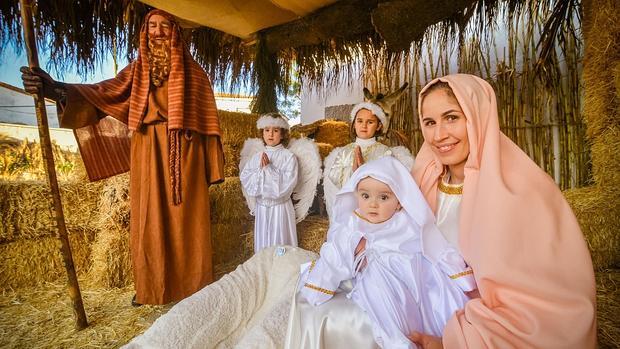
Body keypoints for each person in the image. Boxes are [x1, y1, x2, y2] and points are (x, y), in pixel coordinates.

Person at [20, 9, 225, 305]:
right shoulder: (137, 71)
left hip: (185, 153)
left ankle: (192, 286)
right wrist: (56, 89)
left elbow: (209, 123)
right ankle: (152, 287)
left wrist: (211, 166)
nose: (157, 32)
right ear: (145, 33)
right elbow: (105, 94)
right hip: (147, 148)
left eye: (164, 26)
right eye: (151, 26)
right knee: (149, 218)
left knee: (187, 219)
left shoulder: (195, 73)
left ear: (175, 31)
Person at [408, 74, 596, 348]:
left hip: (482, 327)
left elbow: (539, 305)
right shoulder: (423, 181)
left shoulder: (522, 191)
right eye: (430, 122)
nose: (439, 135)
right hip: (422, 308)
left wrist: (450, 342)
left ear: (478, 116)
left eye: (451, 118)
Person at [296, 156, 476, 348]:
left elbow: (435, 246)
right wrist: (318, 287)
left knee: (442, 295)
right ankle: (400, 341)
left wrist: (459, 274)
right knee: (379, 286)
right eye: (365, 196)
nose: (373, 204)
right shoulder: (353, 224)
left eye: (383, 197)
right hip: (382, 278)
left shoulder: (407, 221)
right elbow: (334, 256)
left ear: (399, 201)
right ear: (356, 196)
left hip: (416, 276)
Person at [323, 84, 414, 219]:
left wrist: (365, 173)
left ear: (379, 126)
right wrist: (353, 173)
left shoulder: (385, 153)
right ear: (354, 125)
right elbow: (334, 178)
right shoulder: (344, 152)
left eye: (370, 122)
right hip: (350, 209)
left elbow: (388, 182)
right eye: (360, 121)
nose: (364, 126)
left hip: (373, 208)